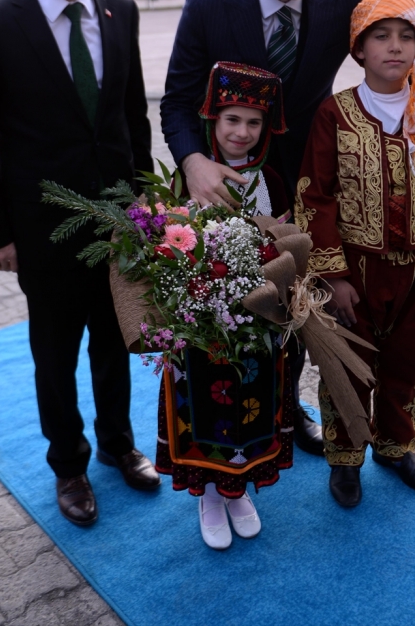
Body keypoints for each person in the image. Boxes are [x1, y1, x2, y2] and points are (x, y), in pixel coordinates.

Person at [160, 0, 415, 459]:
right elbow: (175, 102)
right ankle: (229, 417)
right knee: (237, 303)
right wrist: (194, 163)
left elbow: (396, 44)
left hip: (314, 179)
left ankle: (289, 407)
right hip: (232, 186)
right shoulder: (206, 5)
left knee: (303, 302)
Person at [0, 0, 159, 528]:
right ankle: (69, 464)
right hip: (42, 232)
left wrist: (147, 208)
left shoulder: (121, 12)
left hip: (119, 226)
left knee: (115, 343)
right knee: (56, 354)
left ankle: (119, 444)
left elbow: (131, 118)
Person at [295, 0, 415, 508]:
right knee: (347, 368)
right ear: (358, 48)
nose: (394, 47)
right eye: (381, 36)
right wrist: (333, 277)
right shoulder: (335, 114)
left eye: (405, 37)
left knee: (407, 366)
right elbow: (314, 197)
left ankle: (397, 449)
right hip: (353, 273)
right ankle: (345, 458)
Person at [156, 62, 294, 549]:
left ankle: (237, 491)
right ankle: (209, 496)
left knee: (252, 406)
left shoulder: (272, 179)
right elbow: (166, 250)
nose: (242, 132)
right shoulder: (186, 179)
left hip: (258, 323)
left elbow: (286, 243)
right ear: (212, 119)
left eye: (254, 122)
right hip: (201, 326)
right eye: (232, 119)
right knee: (205, 406)